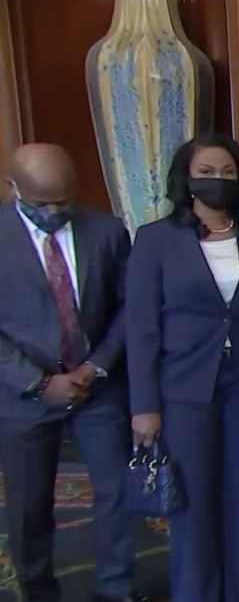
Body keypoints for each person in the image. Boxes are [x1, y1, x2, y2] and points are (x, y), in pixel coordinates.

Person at [127, 134, 239, 602]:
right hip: (183, 387)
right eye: (207, 172)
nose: (218, 179)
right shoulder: (156, 239)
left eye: (227, 172)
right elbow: (141, 328)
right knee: (191, 501)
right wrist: (144, 407)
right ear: (186, 178)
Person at [0, 144, 147, 602]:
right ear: (13, 188)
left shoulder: (107, 231)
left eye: (63, 201)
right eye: (42, 204)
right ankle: (38, 590)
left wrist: (96, 365)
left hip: (96, 387)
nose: (55, 212)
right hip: (22, 395)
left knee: (115, 494)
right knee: (28, 506)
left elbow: (129, 307)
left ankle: (117, 589)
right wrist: (39, 383)